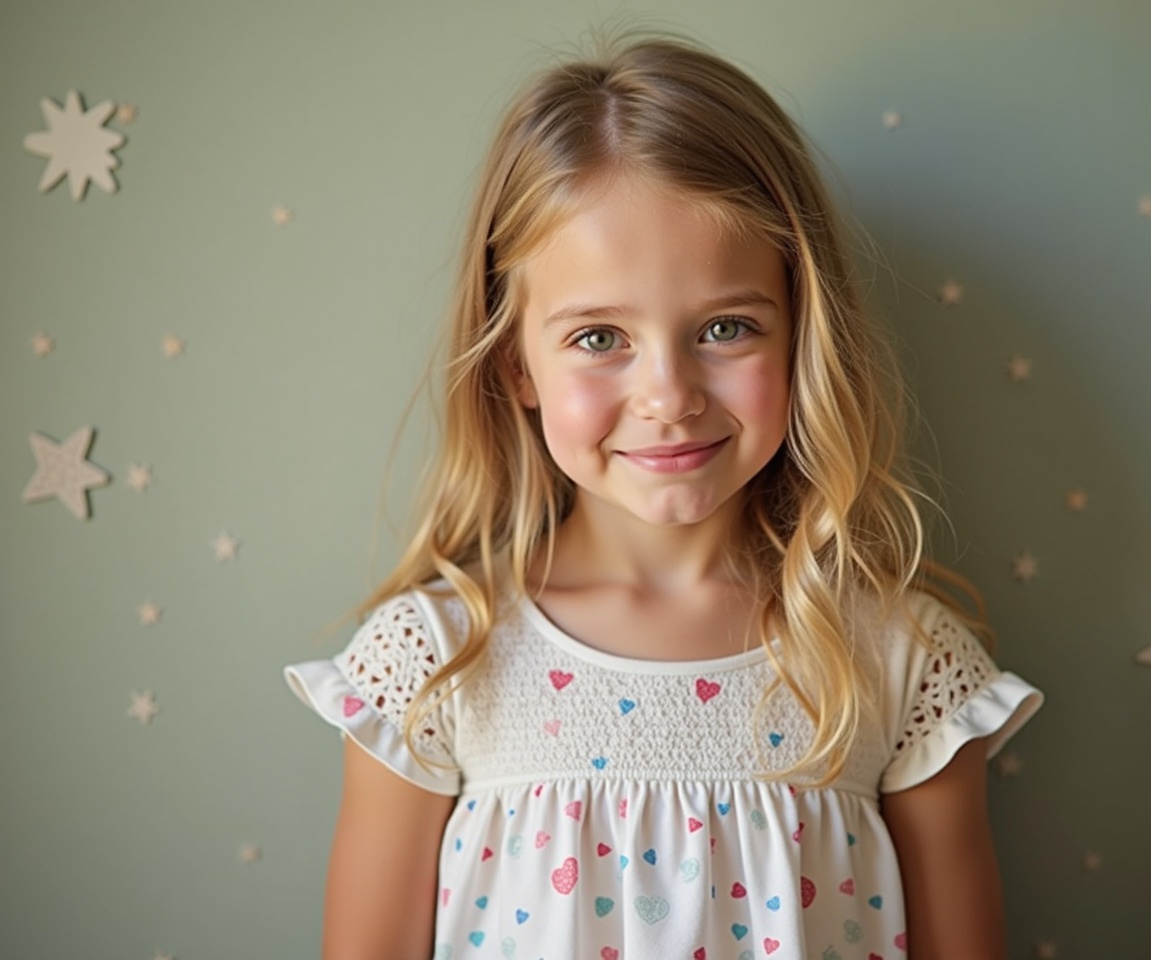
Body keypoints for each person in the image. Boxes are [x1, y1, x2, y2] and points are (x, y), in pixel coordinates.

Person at [284, 29, 1044, 960]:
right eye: (599, 338)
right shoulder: (433, 666)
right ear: (515, 361)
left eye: (726, 327)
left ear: (802, 338)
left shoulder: (899, 663)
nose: (669, 398)